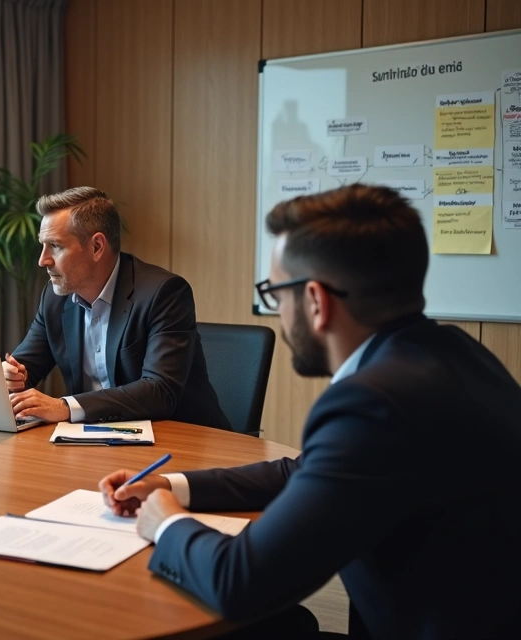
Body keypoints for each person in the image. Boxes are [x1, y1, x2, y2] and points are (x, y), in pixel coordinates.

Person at [99, 184, 521, 638]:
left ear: (316, 302)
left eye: (276, 293)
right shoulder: (455, 354)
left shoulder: (373, 405)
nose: (278, 311)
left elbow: (238, 582)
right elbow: (306, 471)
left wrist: (167, 522)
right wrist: (173, 486)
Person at [4, 187, 230, 430]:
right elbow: (25, 367)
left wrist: (66, 407)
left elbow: (160, 391)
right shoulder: (54, 297)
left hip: (182, 441)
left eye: (55, 246)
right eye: (42, 245)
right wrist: (10, 377)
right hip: (94, 440)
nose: (43, 260)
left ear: (97, 247)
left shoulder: (164, 293)